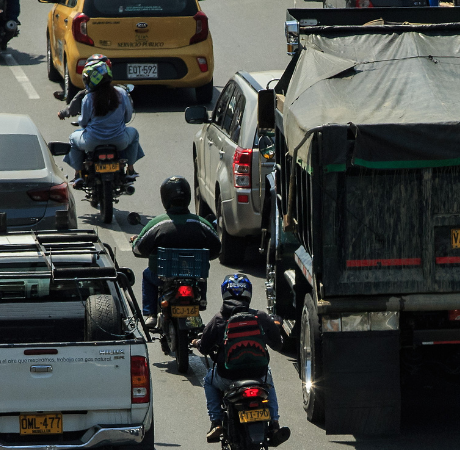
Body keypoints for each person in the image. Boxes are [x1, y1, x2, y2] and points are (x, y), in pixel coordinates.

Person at [196, 274, 290, 445]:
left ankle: (216, 422)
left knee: (208, 381)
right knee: (269, 378)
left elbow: (203, 347)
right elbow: (278, 345)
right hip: (258, 376)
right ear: (249, 293)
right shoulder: (260, 317)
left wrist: (198, 342)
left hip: (227, 378)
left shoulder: (218, 319)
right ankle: (275, 423)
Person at [131, 177, 221, 326]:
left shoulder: (158, 223)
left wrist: (134, 240)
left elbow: (138, 250)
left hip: (162, 277)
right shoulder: (201, 223)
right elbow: (217, 250)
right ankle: (201, 301)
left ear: (165, 198)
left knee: (147, 275)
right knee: (201, 275)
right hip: (193, 278)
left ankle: (151, 314)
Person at [64, 59, 143, 185]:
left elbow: (83, 122)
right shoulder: (121, 93)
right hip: (119, 141)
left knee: (73, 138)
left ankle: (78, 173)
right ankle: (130, 169)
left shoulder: (88, 98)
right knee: (134, 133)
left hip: (91, 142)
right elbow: (128, 118)